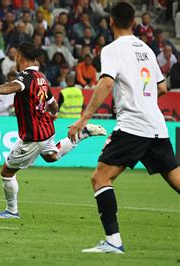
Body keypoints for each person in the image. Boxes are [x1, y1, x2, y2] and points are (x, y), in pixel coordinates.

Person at [68, 2, 180, 254]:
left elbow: (106, 83)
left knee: (100, 178)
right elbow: (162, 88)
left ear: (110, 21)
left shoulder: (112, 49)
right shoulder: (148, 50)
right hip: (156, 125)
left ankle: (113, 242)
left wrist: (84, 119)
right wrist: (143, 101)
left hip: (133, 125)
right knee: (176, 180)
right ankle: (112, 242)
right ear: (133, 22)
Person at [0, 42, 106, 219]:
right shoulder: (42, 78)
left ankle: (12, 211)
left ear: (20, 57)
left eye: (17, 57)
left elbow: (13, 86)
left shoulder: (25, 76)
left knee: (7, 172)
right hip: (47, 129)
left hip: (33, 135)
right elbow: (53, 103)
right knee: (52, 156)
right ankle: (82, 134)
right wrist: (54, 113)